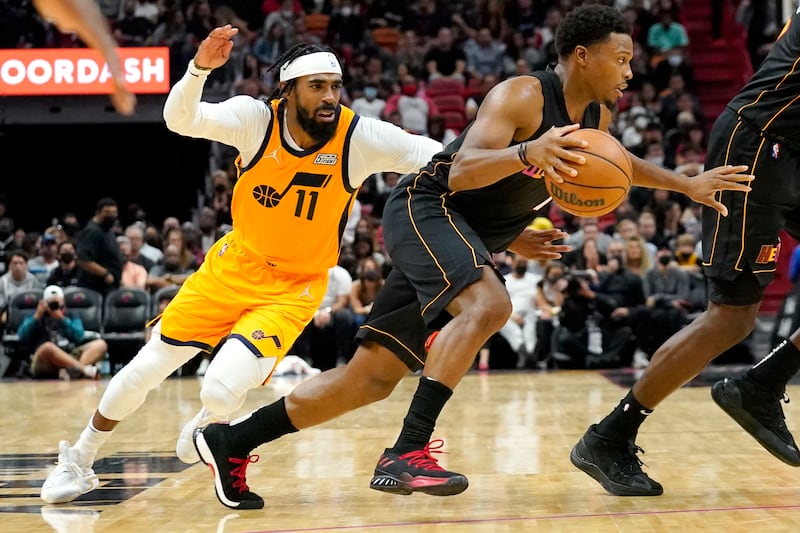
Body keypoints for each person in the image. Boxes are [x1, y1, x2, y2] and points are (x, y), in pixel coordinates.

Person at [190, 5, 752, 510]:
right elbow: (460, 171)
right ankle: (406, 452)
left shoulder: (596, 119)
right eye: (621, 59)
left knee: (369, 379)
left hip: (466, 234)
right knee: (489, 305)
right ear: (583, 56)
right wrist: (527, 151)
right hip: (424, 207)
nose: (630, 71)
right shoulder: (523, 96)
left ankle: (231, 440)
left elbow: (619, 164)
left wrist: (686, 185)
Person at [40, 25, 442, 507]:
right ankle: (79, 458)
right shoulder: (256, 120)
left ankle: (207, 427)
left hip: (294, 286)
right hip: (233, 267)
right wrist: (198, 70)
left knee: (221, 390)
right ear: (287, 90)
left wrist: (506, 158)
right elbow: (179, 118)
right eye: (317, 86)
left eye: (335, 86)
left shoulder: (359, 136)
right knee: (147, 368)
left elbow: (437, 154)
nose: (330, 97)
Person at [569, 6, 800, 497]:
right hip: (759, 145)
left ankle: (763, 383)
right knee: (732, 318)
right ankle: (610, 436)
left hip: (793, 153)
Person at [32, 0, 136, 115]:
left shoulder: (77, 13)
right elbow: (105, 45)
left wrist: (119, 85)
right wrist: (119, 84)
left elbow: (105, 44)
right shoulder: (77, 11)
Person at [19, 285, 107, 380]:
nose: (54, 306)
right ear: (44, 303)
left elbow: (79, 336)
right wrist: (36, 316)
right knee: (48, 347)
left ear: (63, 302)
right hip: (44, 359)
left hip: (69, 355)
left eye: (57, 303)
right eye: (51, 303)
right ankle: (83, 370)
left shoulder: (70, 315)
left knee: (100, 344)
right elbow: (22, 336)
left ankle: (75, 372)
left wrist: (62, 319)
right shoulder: (35, 315)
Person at [75, 198, 124, 296]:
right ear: (98, 213)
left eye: (114, 213)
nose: (111, 216)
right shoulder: (93, 231)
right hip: (96, 288)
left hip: (109, 287)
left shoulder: (108, 230)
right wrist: (105, 273)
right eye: (107, 212)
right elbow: (83, 260)